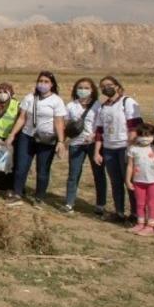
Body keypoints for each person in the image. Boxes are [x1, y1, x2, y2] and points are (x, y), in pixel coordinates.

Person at [6, 71, 68, 206]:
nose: (42, 84)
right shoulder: (29, 98)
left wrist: (61, 141)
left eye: (46, 82)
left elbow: (59, 122)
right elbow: (22, 118)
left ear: (52, 84)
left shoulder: (56, 101)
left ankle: (39, 197)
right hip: (27, 136)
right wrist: (12, 134)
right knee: (21, 167)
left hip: (46, 139)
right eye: (40, 81)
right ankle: (17, 194)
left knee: (43, 170)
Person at [93, 76, 143, 224]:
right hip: (109, 149)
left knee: (130, 182)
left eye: (109, 85)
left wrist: (130, 148)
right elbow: (99, 131)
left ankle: (136, 214)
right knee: (115, 182)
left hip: (124, 148)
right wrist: (97, 151)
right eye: (103, 86)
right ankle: (119, 212)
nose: (106, 88)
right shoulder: (103, 106)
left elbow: (134, 126)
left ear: (117, 86)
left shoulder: (127, 102)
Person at [62, 78, 105, 214]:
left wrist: (93, 136)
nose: (83, 90)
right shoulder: (70, 106)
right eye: (80, 87)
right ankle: (69, 203)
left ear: (92, 90)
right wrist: (64, 141)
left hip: (94, 144)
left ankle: (100, 204)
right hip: (76, 144)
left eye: (86, 87)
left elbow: (101, 125)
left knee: (98, 174)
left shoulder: (98, 106)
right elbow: (66, 125)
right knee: (73, 174)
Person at [127, 123, 154, 236]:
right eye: (142, 135)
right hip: (138, 181)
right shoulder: (133, 149)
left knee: (152, 203)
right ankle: (140, 223)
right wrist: (128, 180)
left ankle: (150, 226)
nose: (145, 138)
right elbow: (130, 166)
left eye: (148, 135)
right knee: (140, 203)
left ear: (153, 136)